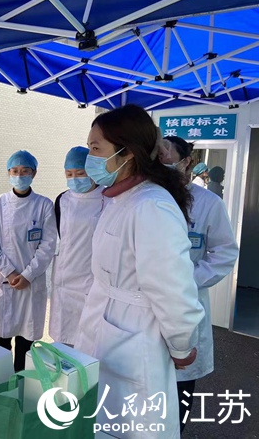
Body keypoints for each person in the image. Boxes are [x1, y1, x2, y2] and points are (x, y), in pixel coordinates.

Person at [73, 105, 204, 438]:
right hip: (108, 334)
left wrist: (182, 346)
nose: (90, 158)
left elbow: (173, 291)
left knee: (134, 427)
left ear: (127, 153)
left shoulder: (152, 206)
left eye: (96, 148)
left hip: (135, 341)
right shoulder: (121, 200)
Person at [162, 137, 238, 433]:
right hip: (148, 306)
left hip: (188, 302)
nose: (162, 165)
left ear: (187, 162)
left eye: (168, 159)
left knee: (180, 387)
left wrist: (186, 280)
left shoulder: (209, 203)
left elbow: (224, 253)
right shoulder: (146, 198)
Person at [0, 150, 57, 372]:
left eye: (25, 171)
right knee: (1, 343)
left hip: (30, 284)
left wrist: (27, 275)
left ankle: (22, 386)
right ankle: (3, 386)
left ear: (34, 173)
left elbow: (48, 244)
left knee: (26, 345)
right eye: (15, 171)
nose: (19, 175)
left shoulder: (44, 205)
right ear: (8, 173)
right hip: (4, 281)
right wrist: (10, 271)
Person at [49, 146, 104, 346]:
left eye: (80, 173)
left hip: (92, 280)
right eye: (69, 174)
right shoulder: (62, 200)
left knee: (89, 341)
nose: (74, 179)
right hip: (64, 280)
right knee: (63, 340)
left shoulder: (108, 198)